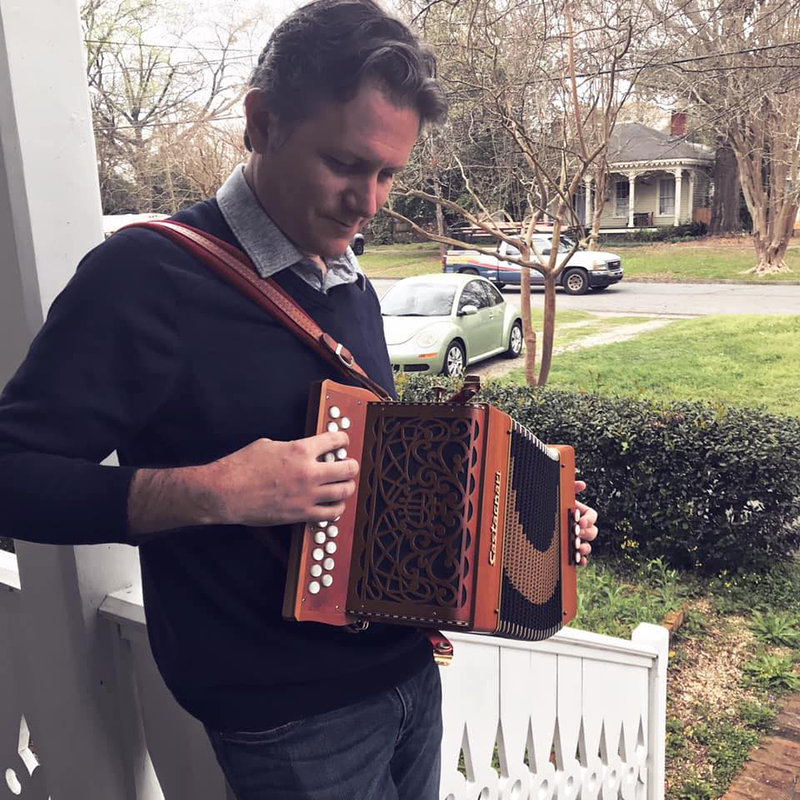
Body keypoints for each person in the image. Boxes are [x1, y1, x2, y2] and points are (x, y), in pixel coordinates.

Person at [0, 1, 598, 798]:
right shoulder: (141, 280)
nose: (371, 202)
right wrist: (211, 493)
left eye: (388, 173)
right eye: (347, 164)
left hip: (409, 677)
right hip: (291, 723)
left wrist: (538, 530)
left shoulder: (348, 281)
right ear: (261, 121)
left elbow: (386, 486)